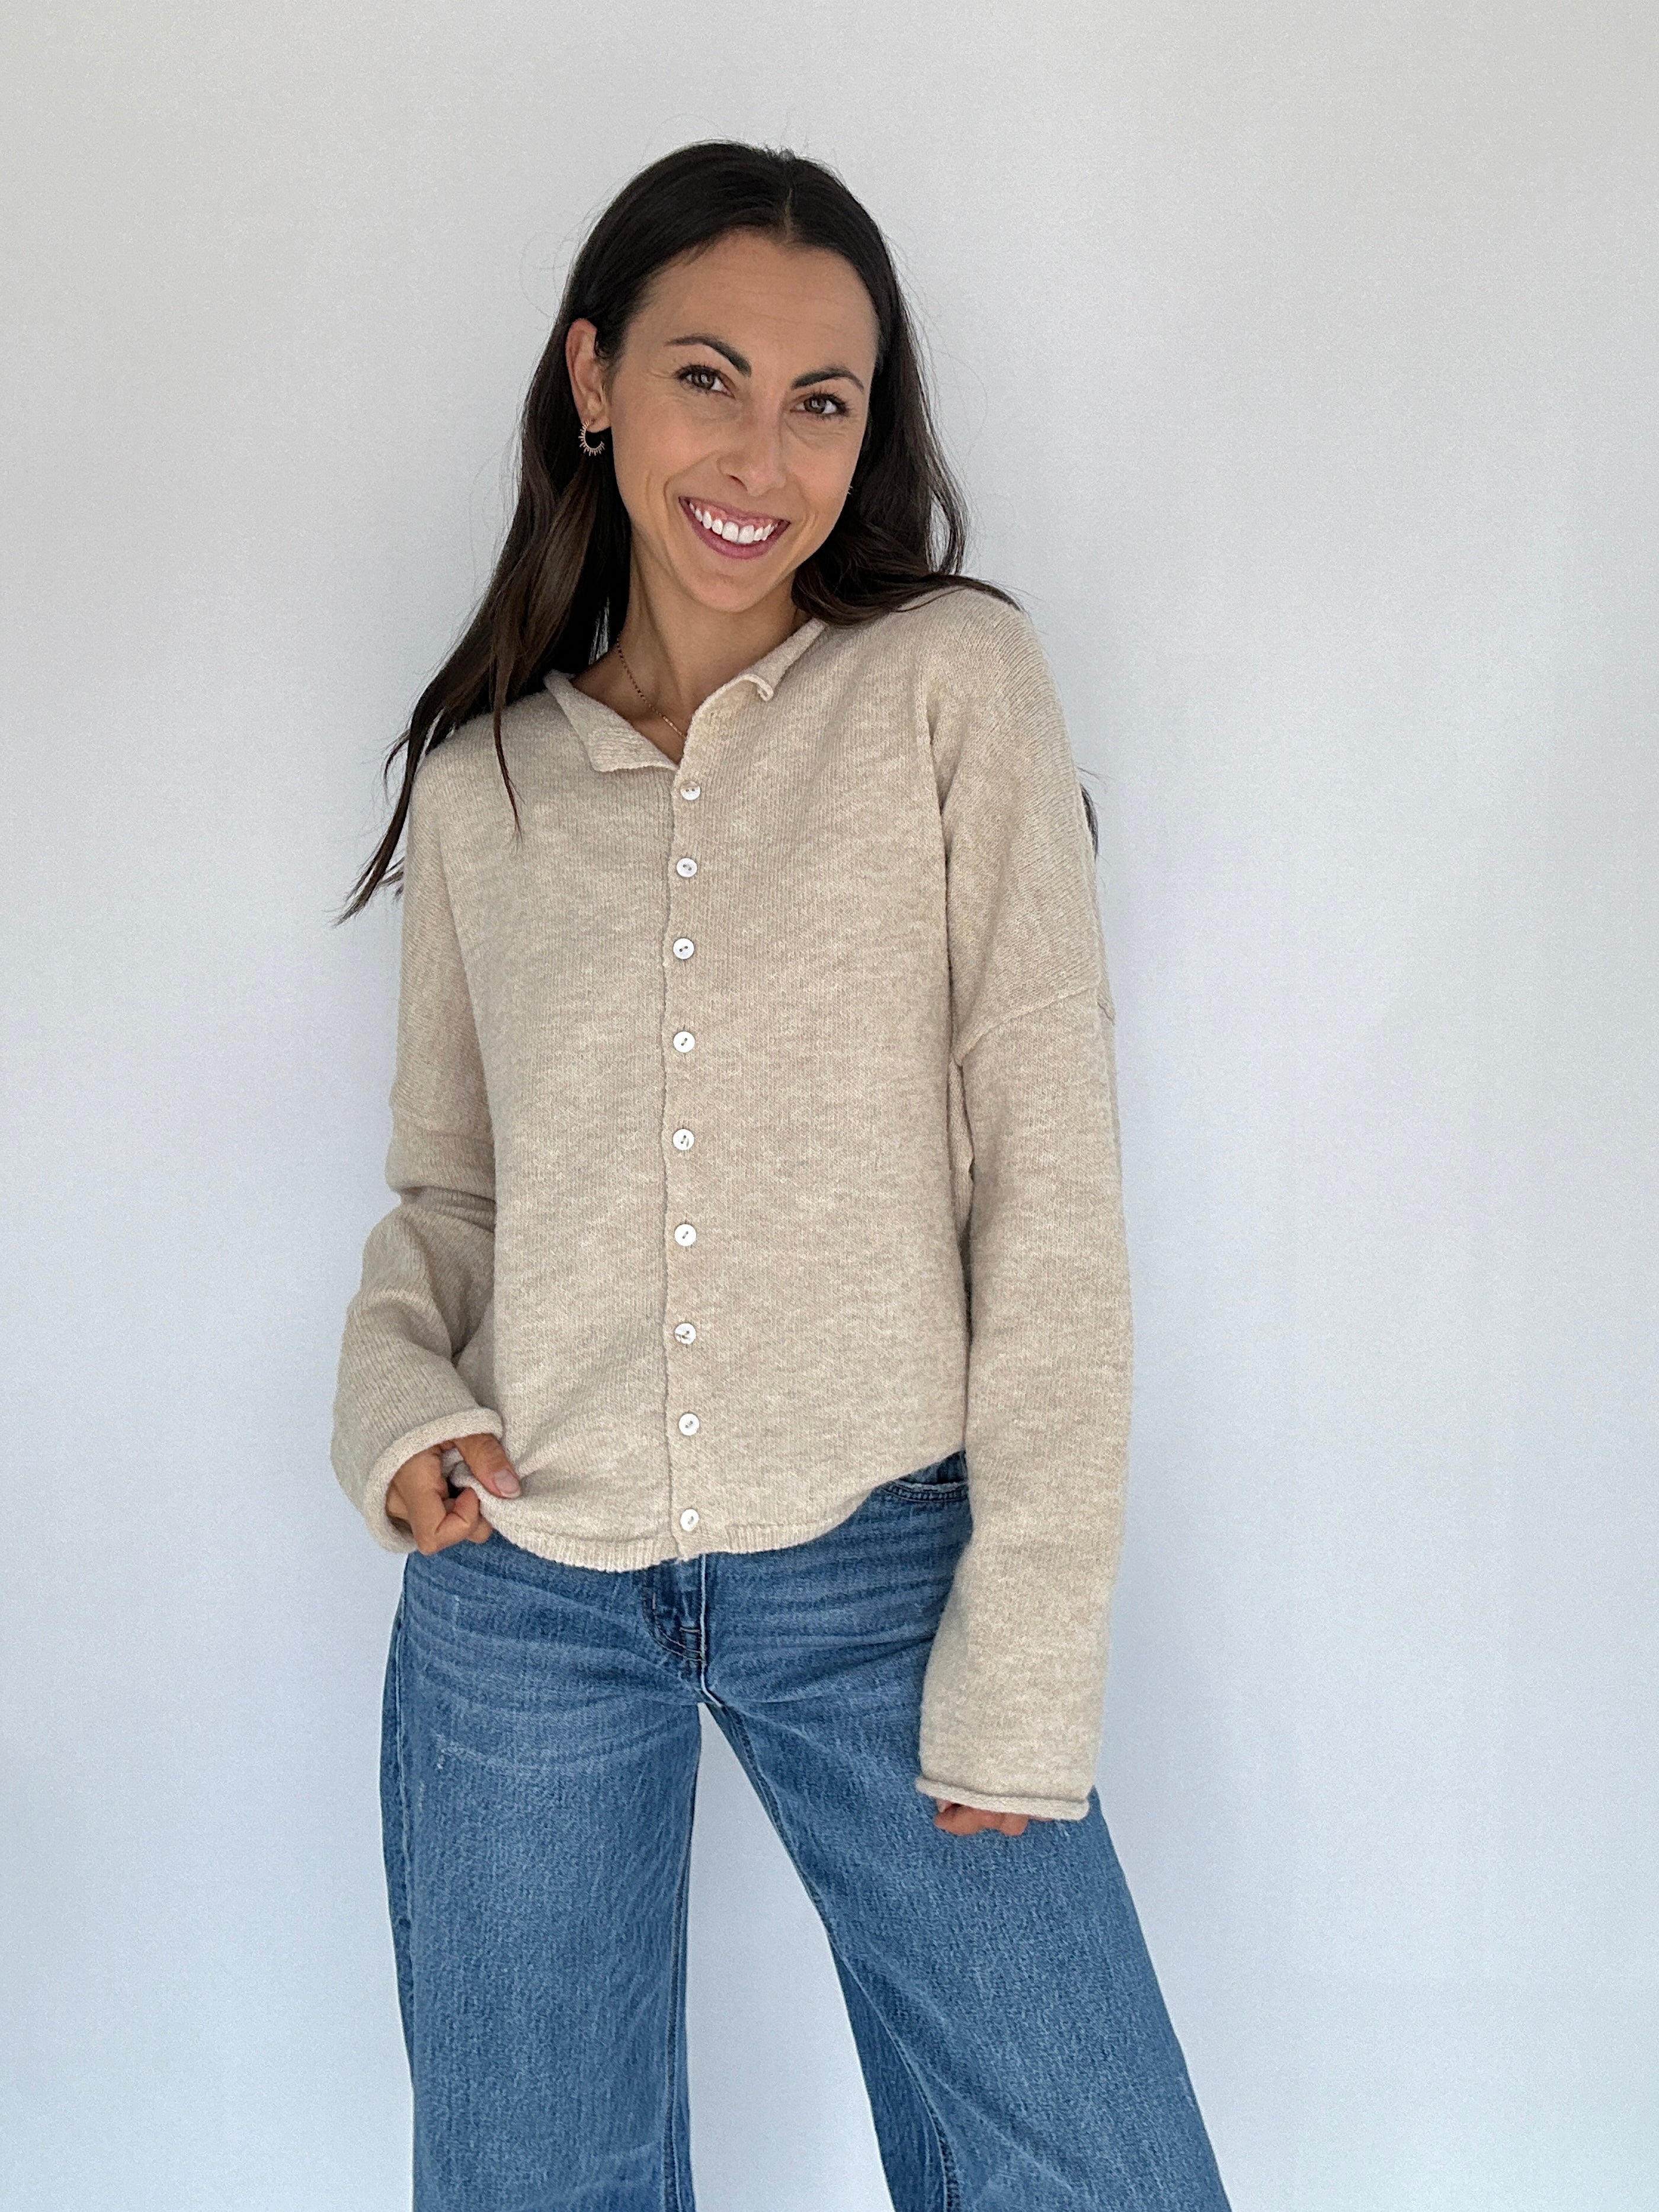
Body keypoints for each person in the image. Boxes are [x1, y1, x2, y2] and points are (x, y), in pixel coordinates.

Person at [330, 138, 1231, 2212]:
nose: (762, 456)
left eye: (823, 400)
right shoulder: (484, 786)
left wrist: (1030, 1649)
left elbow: (1051, 1188)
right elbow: (448, 1197)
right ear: (595, 380)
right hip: (522, 1593)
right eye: (706, 378)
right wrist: (396, 1405)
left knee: (1097, 2174)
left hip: (880, 1569)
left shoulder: (948, 685)